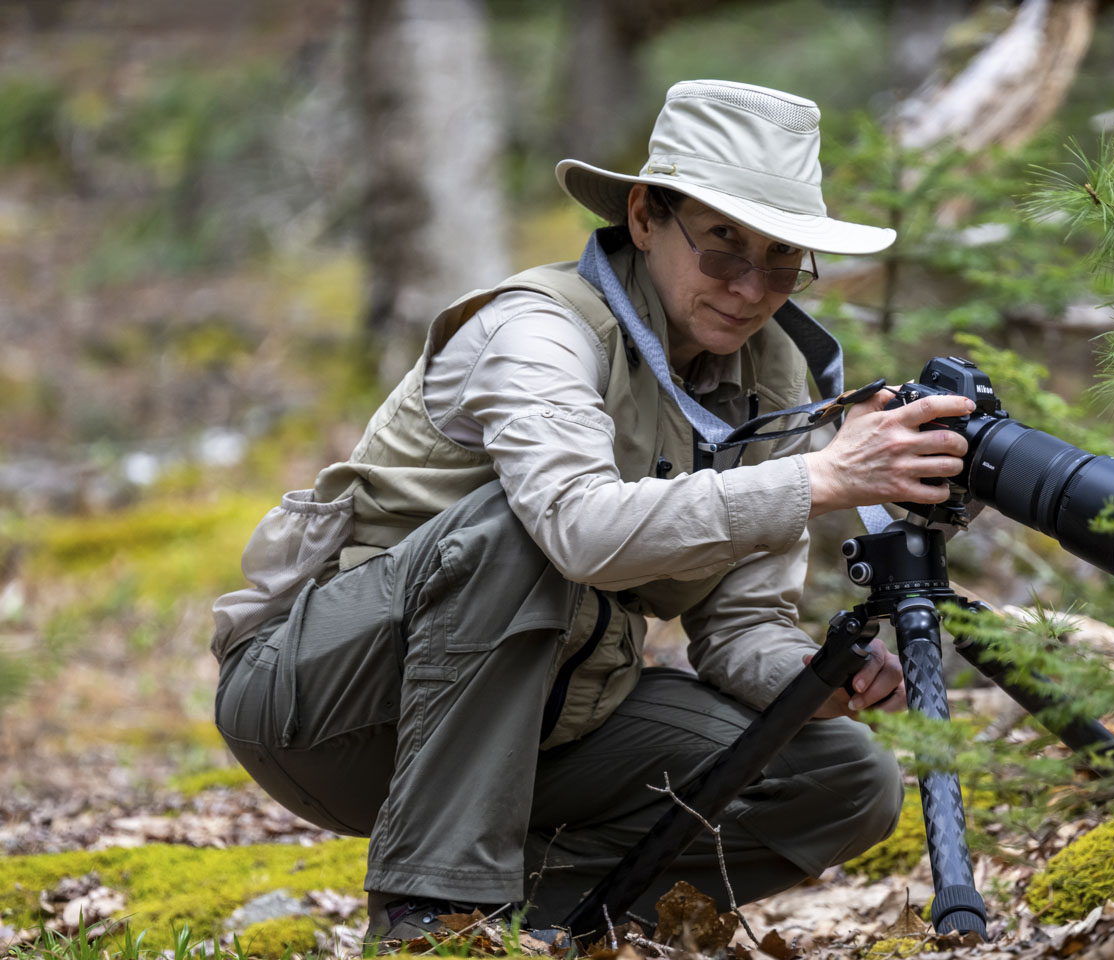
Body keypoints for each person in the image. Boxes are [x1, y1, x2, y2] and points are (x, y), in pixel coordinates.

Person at [209, 79, 976, 947]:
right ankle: (432, 921)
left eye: (783, 259)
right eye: (724, 246)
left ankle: (527, 915)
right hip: (321, 710)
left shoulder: (770, 376)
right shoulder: (540, 328)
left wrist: (814, 675)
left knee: (841, 780)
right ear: (646, 216)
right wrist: (822, 479)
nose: (752, 287)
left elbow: (740, 627)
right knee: (521, 533)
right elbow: (579, 530)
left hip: (545, 727)